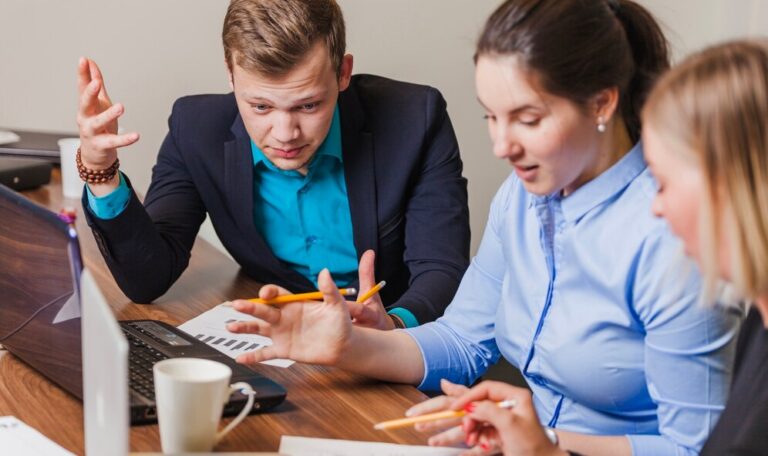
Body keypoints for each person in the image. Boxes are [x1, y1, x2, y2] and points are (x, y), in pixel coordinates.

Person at [228, 1, 740, 454]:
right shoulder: (523, 196)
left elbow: (696, 448)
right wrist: (349, 348)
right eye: (491, 117)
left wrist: (550, 444)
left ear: (602, 104)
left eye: (528, 119)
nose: (502, 146)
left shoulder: (675, 235)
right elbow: (464, 341)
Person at [448, 38, 768, 456]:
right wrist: (547, 442)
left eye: (665, 183)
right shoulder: (759, 335)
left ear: (736, 188)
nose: (655, 206)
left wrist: (550, 449)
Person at [75, 0, 471, 329]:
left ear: (343, 73)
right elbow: (148, 279)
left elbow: (441, 269)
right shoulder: (195, 130)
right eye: (261, 106)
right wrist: (102, 172)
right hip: (282, 344)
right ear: (231, 77)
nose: (285, 133)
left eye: (309, 105)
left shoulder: (414, 119)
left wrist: (391, 327)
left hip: (398, 352)